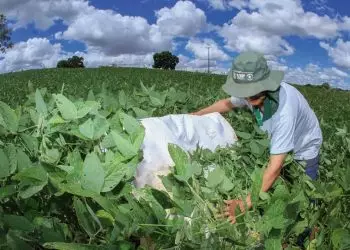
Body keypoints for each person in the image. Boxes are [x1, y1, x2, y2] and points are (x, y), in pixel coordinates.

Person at [191, 51, 323, 225]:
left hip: (304, 149)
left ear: (266, 84)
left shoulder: (284, 111)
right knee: (279, 189)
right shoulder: (251, 92)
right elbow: (227, 104)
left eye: (253, 93)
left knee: (305, 202)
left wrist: (243, 204)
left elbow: (275, 167)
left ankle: (308, 234)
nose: (248, 97)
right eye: (245, 93)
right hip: (280, 145)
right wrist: (196, 114)